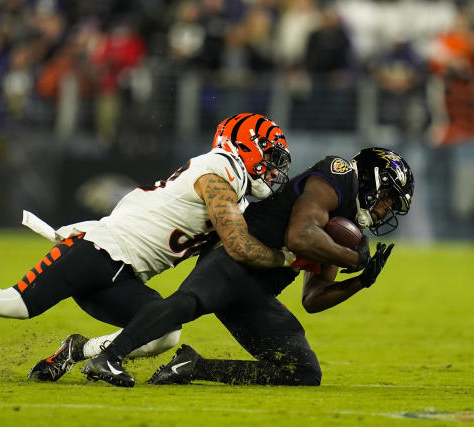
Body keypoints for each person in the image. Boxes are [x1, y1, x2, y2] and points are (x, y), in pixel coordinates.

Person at [0, 113, 297, 375]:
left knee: (165, 332)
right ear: (247, 147)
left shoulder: (229, 181)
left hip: (125, 271)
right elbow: (238, 247)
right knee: (15, 304)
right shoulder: (221, 174)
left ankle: (76, 352)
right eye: (271, 157)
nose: (275, 170)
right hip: (99, 250)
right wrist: (284, 257)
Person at [79, 147, 414, 387]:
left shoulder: (347, 228)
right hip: (236, 256)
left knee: (304, 373)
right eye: (387, 197)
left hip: (258, 291)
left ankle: (193, 367)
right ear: (372, 178)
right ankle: (109, 357)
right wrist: (355, 259)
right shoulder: (338, 175)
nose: (385, 209)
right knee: (189, 303)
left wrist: (360, 282)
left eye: (392, 206)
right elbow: (299, 236)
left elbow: (314, 298)